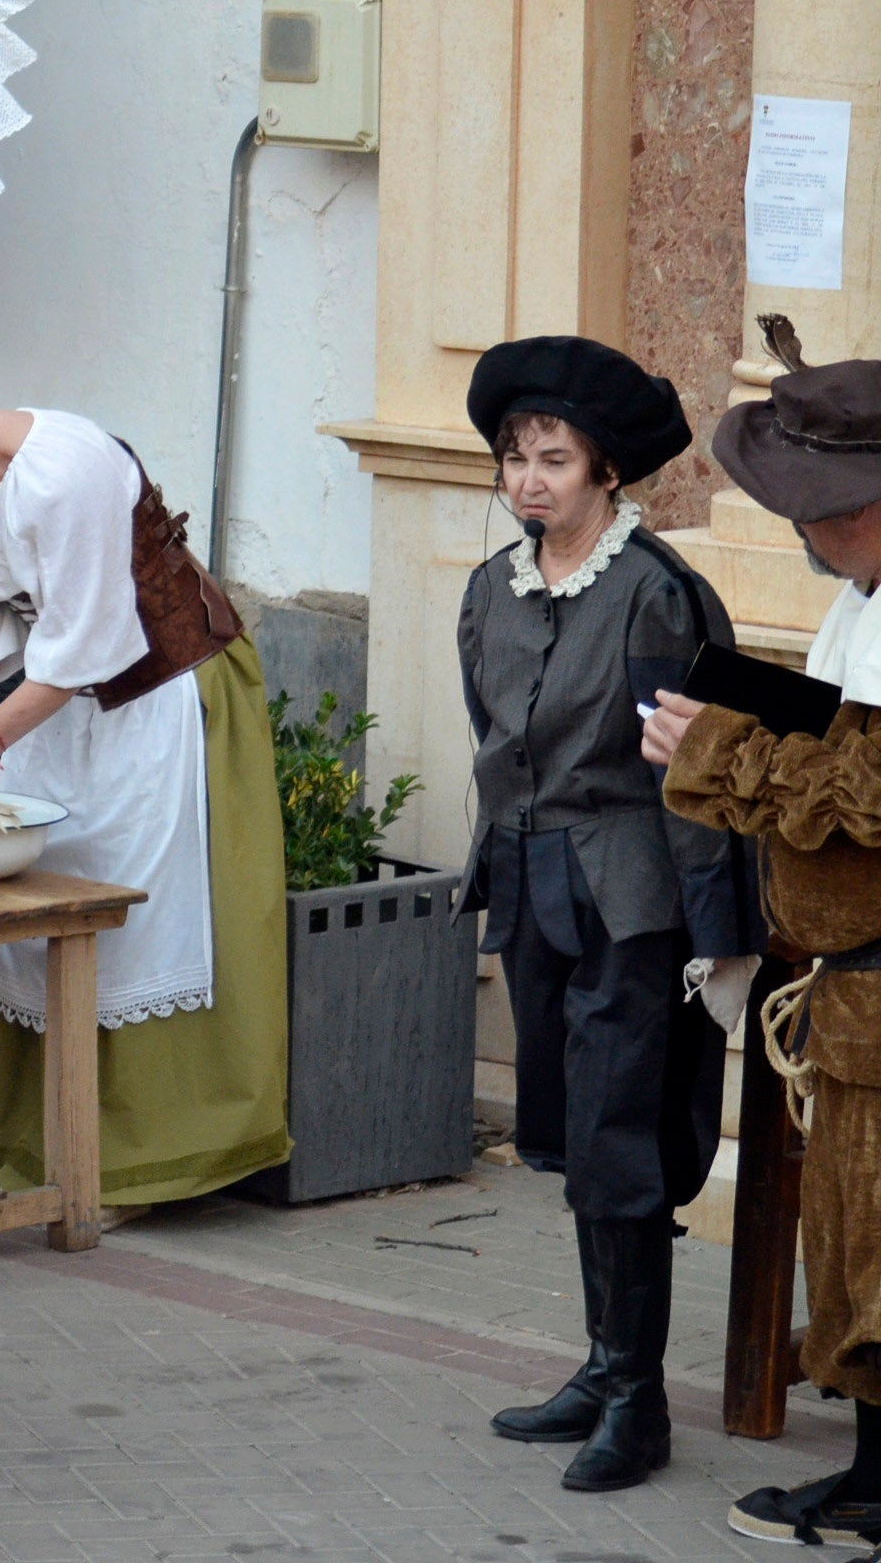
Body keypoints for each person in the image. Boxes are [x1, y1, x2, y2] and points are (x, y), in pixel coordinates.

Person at [0, 355, 290, 1215]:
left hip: (161, 691)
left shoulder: (64, 473)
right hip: (64, 706)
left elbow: (90, 640)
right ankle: (51, 1149)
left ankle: (147, 1163)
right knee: (46, 905)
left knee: (143, 914)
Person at [455, 336, 755, 1492]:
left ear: (606, 475)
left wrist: (717, 933)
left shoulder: (656, 592)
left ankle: (639, 1403)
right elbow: (493, 747)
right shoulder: (493, 587)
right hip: (532, 889)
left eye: (555, 461)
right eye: (515, 460)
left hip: (632, 900)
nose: (530, 481)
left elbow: (699, 771)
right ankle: (601, 1362)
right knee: (576, 1142)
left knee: (623, 1142)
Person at [642, 360, 881, 1544]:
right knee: (854, 1236)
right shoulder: (866, 593)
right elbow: (837, 728)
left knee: (878, 1239)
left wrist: (719, 753)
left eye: (824, 505)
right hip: (856, 991)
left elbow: (870, 796)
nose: (805, 527)